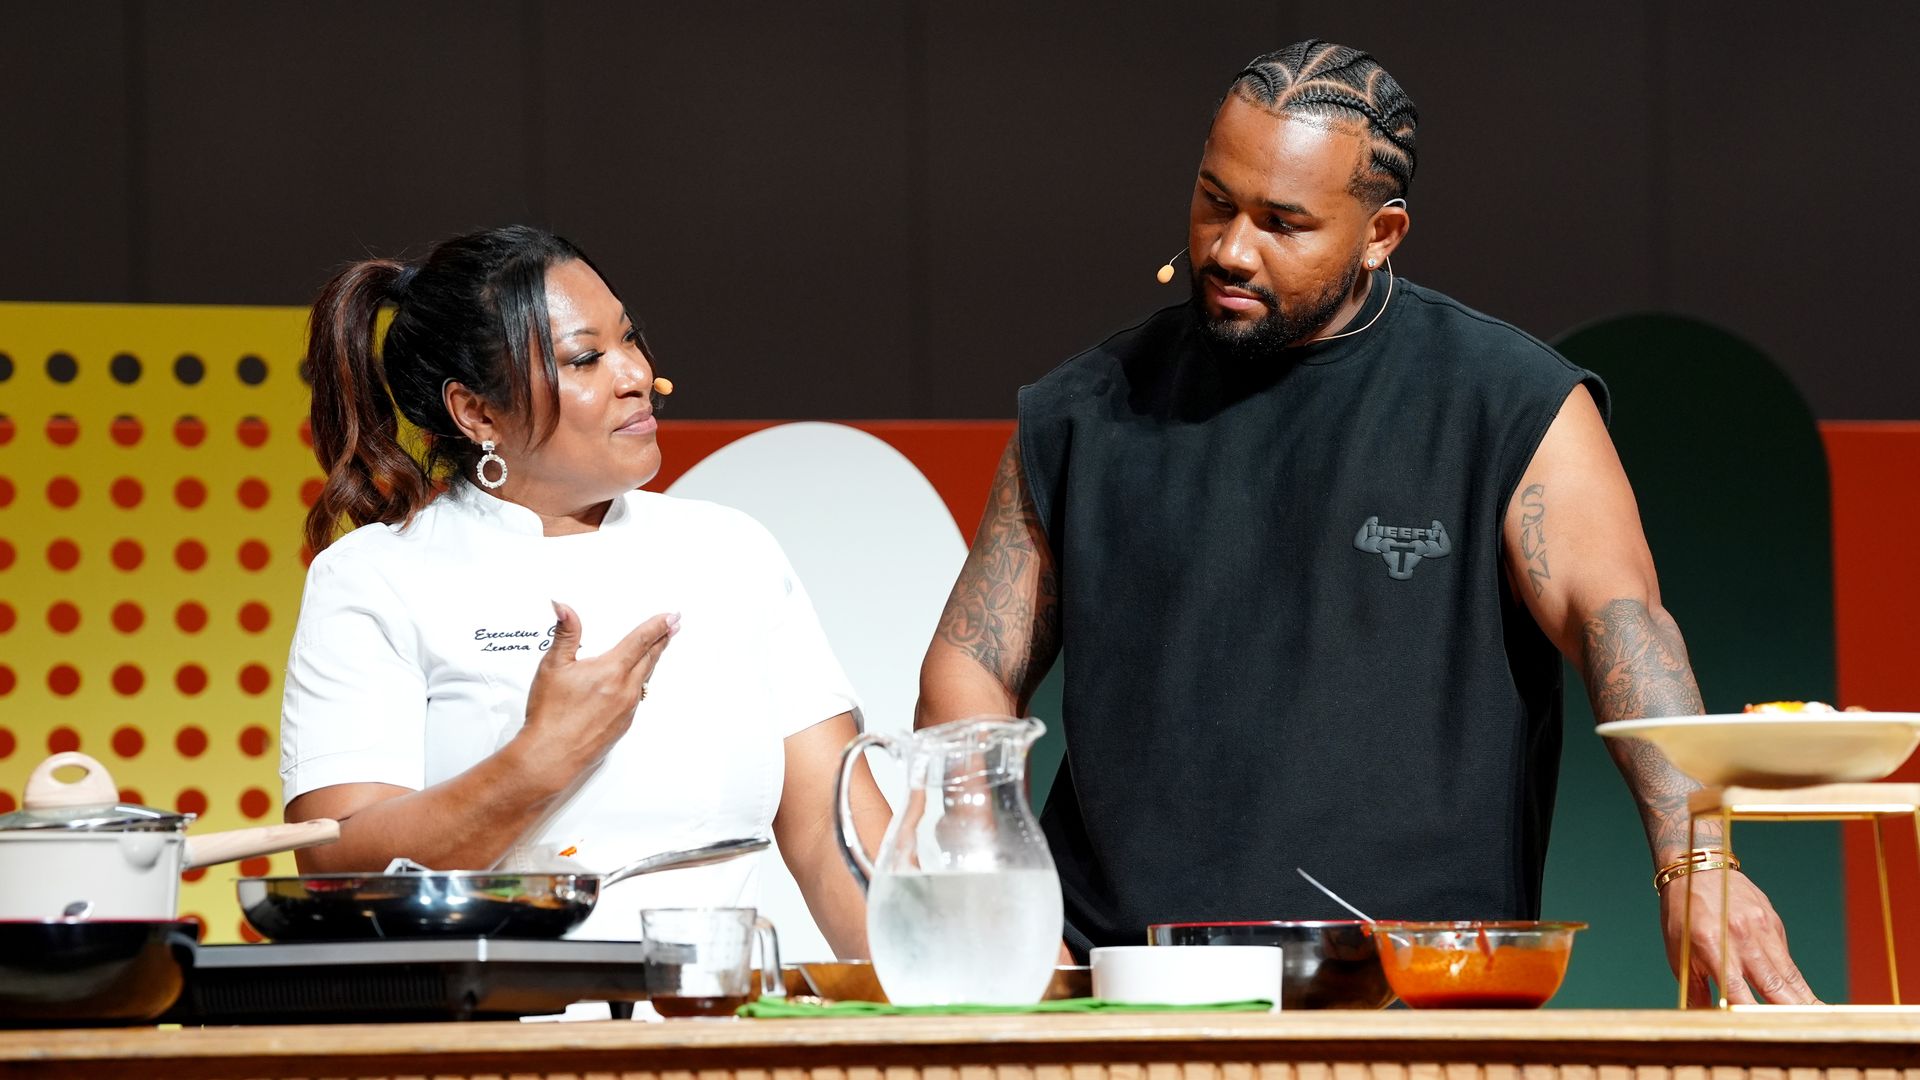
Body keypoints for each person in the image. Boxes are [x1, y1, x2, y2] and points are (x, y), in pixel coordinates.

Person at [915, 41, 1815, 1005]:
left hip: (1422, 1001)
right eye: (1215, 200)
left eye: (1282, 223)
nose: (1230, 248)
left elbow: (1620, 621)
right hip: (1125, 992)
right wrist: (998, 898)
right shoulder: (1084, 410)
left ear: (1382, 234)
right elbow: (971, 660)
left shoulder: (1507, 401)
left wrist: (1696, 861)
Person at [282, 225, 890, 950]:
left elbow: (833, 838)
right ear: (477, 413)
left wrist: (957, 987)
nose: (636, 374)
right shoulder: (376, 576)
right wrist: (539, 760)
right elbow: (339, 867)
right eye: (585, 358)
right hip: (490, 1014)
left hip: (709, 1008)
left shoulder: (731, 550)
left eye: (629, 338)